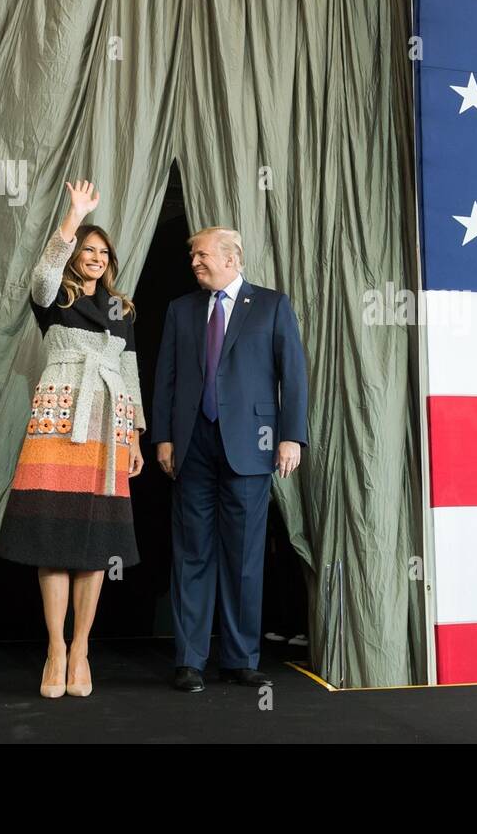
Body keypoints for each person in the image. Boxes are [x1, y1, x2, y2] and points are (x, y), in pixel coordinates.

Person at [0, 180, 146, 698]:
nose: (96, 257)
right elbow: (40, 274)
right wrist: (73, 215)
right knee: (51, 539)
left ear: (112, 261)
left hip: (106, 432)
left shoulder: (122, 311)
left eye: (103, 252)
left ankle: (82, 648)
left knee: (94, 543)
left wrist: (135, 440)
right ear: (74, 256)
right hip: (56, 428)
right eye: (87, 250)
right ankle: (54, 648)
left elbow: (129, 376)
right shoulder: (53, 296)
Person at [153, 226, 308, 692]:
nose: (194, 263)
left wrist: (291, 438)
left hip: (253, 444)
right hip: (192, 445)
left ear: (232, 257)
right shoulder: (180, 310)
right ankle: (189, 660)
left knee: (244, 556)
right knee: (192, 552)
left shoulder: (272, 305)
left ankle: (240, 658)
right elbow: (166, 378)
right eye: (193, 256)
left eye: (201, 255)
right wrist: (162, 437)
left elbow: (293, 375)